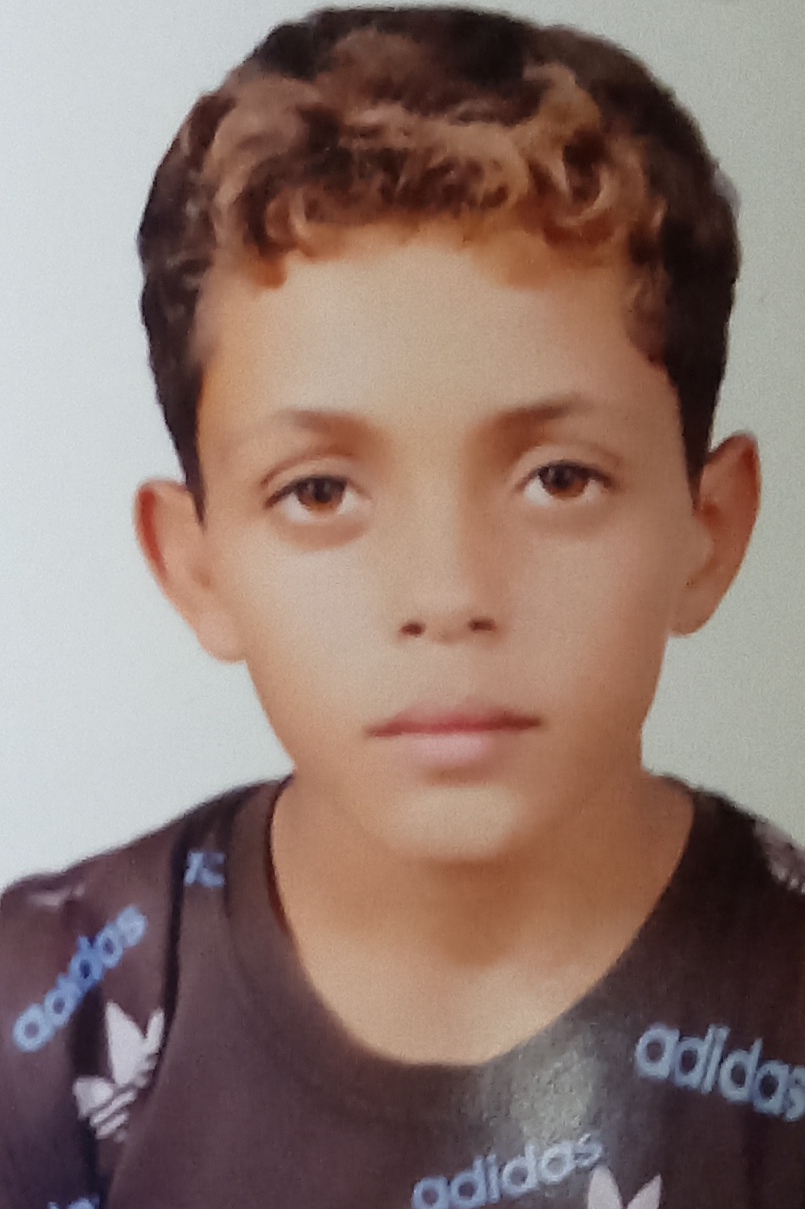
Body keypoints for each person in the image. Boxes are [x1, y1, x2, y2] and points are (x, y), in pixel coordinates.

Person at [1, 6, 800, 1207]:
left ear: (710, 530)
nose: (448, 596)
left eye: (559, 479)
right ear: (197, 567)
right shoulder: (45, 1024)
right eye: (319, 491)